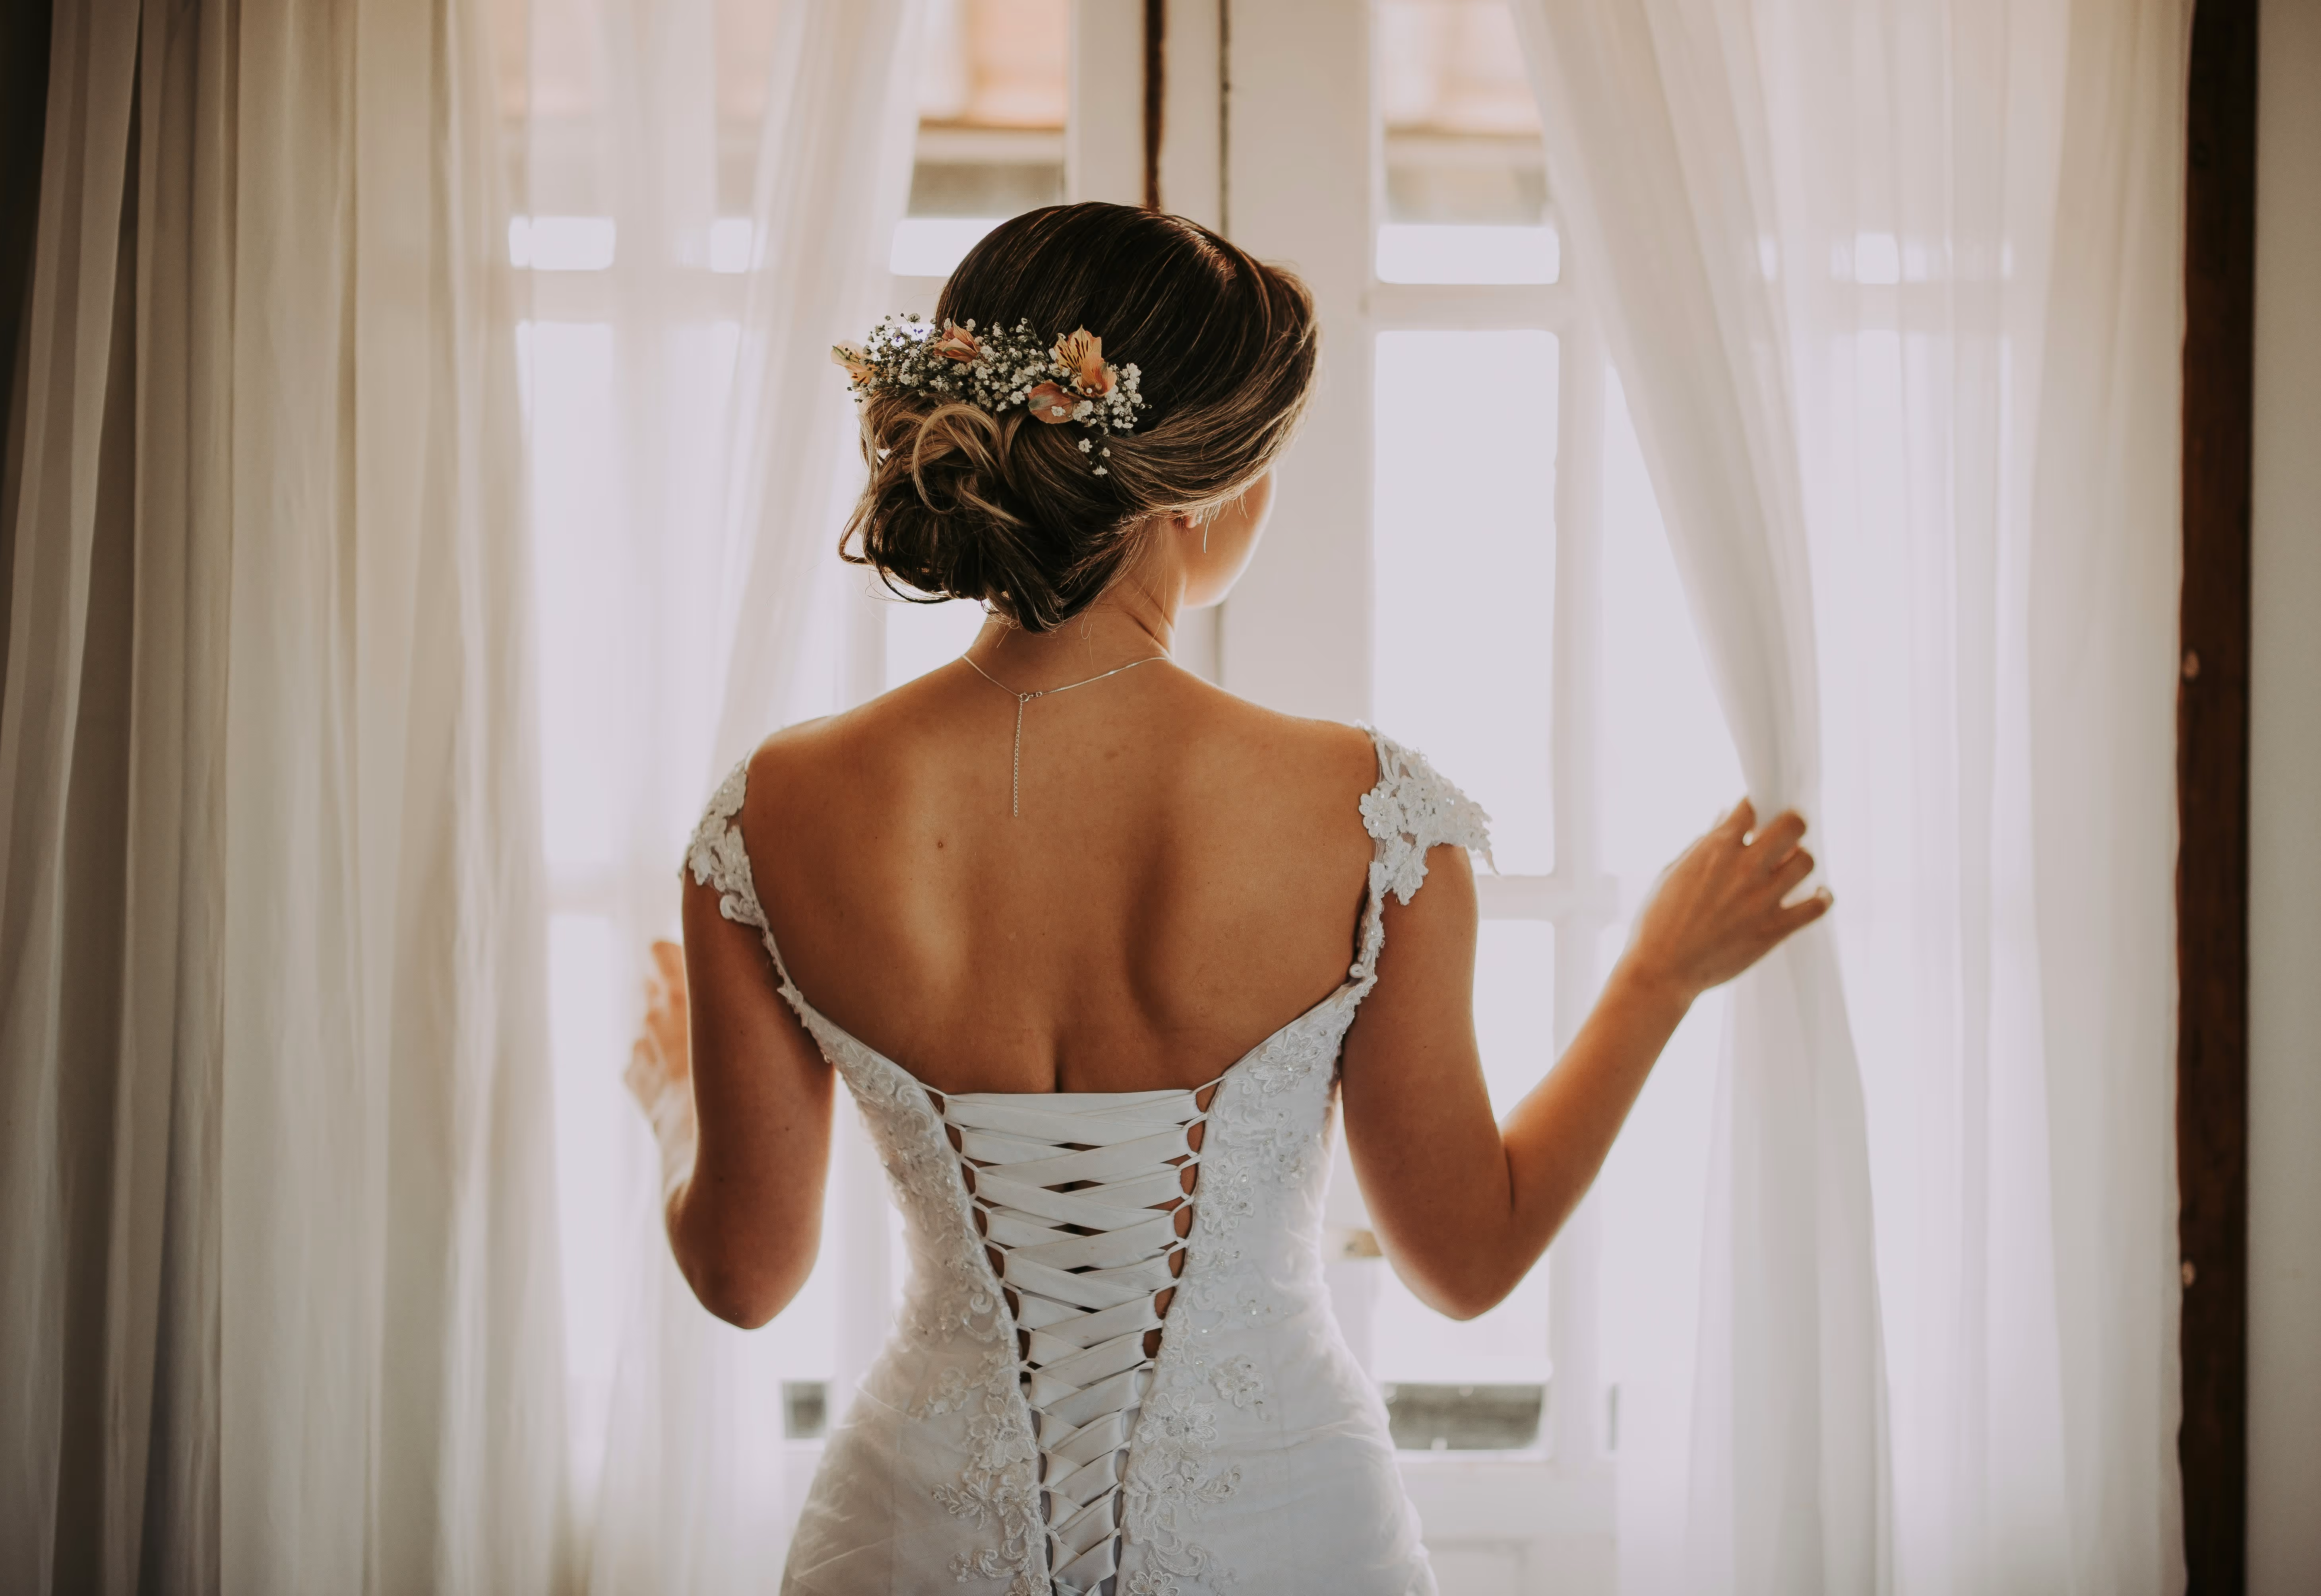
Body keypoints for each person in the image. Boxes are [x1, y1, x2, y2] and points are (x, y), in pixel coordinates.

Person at [624, 201, 1829, 1596]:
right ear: (1206, 490)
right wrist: (1653, 980)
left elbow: (745, 1275)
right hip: (1277, 1538)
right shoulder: (1371, 818)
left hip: (918, 1541)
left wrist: (668, 1104)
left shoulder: (776, 808)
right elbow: (1466, 1261)